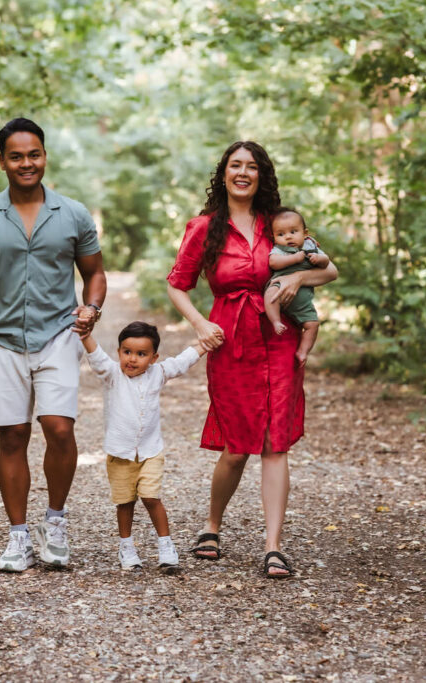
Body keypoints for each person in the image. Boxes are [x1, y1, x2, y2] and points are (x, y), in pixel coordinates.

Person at [165, 141, 337, 578]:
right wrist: (200, 325)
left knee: (274, 442)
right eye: (235, 165)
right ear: (223, 173)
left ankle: (273, 547)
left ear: (262, 175)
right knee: (237, 448)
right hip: (230, 337)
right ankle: (212, 525)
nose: (243, 172)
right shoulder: (204, 228)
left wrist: (298, 275)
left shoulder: (277, 224)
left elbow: (326, 267)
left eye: (251, 166)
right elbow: (176, 285)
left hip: (280, 339)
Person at [0, 117, 107, 572]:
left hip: (57, 333)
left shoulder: (73, 213)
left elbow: (94, 273)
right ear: (2, 162)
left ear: (45, 157)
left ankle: (55, 523)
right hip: (1, 338)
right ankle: (18, 537)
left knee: (59, 428)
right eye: (16, 156)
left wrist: (92, 309)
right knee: (13, 434)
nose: (26, 163)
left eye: (33, 154)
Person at [77, 319, 207, 571]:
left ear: (153, 357)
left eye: (141, 354)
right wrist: (85, 336)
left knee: (151, 497)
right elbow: (97, 357)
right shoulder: (113, 375)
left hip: (150, 451)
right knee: (125, 502)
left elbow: (181, 362)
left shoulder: (158, 373)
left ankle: (166, 546)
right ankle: (126, 546)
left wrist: (204, 346)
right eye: (127, 352)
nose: (132, 359)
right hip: (120, 454)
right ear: (119, 353)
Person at [263, 208, 332, 368]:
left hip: (302, 301)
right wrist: (294, 258)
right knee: (270, 293)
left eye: (293, 231)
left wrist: (319, 259)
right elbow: (273, 262)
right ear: (273, 237)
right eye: (281, 234)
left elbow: (327, 263)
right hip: (280, 288)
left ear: (305, 233)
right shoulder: (279, 249)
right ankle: (275, 321)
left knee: (313, 324)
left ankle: (303, 351)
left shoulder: (311, 246)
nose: (287, 236)